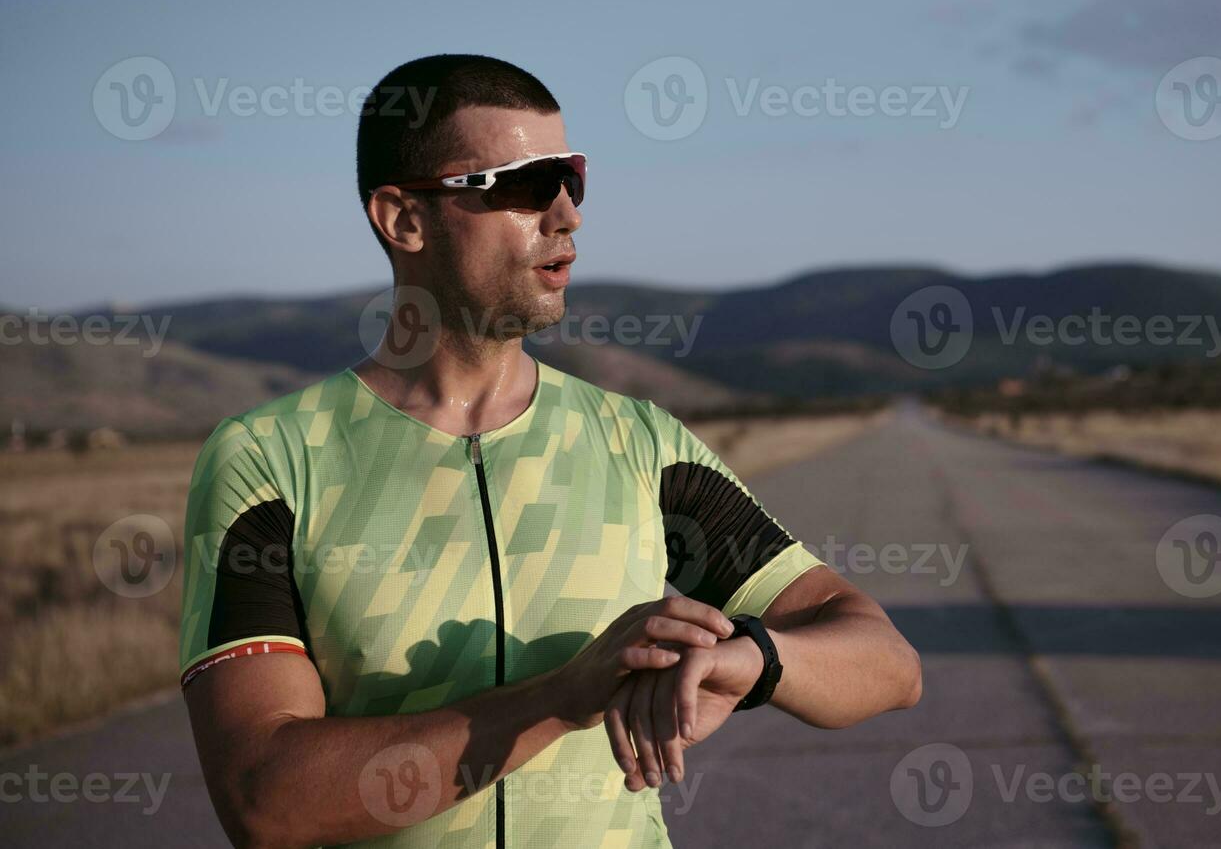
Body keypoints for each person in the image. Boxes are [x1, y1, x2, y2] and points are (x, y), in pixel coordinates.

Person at [178, 53, 922, 848]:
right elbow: (265, 798)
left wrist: (758, 659)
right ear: (404, 219)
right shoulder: (272, 461)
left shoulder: (638, 443)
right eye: (526, 185)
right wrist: (561, 697)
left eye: (573, 180)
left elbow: (888, 663)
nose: (566, 215)